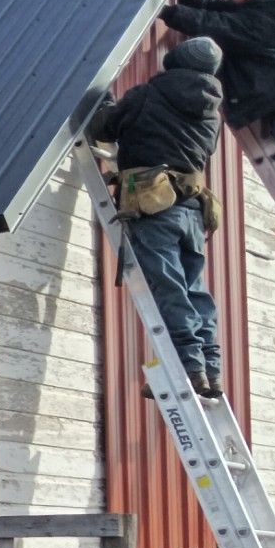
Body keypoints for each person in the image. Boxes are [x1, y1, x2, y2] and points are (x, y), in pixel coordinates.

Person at [88, 36, 226, 396]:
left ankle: (188, 367)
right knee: (195, 290)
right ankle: (210, 367)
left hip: (154, 204)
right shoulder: (211, 109)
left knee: (169, 288)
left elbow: (102, 126)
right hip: (192, 209)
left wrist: (103, 99)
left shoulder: (149, 95)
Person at [159, 0, 275, 167]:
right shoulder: (253, 13)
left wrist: (163, 11)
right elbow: (211, 7)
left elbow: (213, 24)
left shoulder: (265, 25)